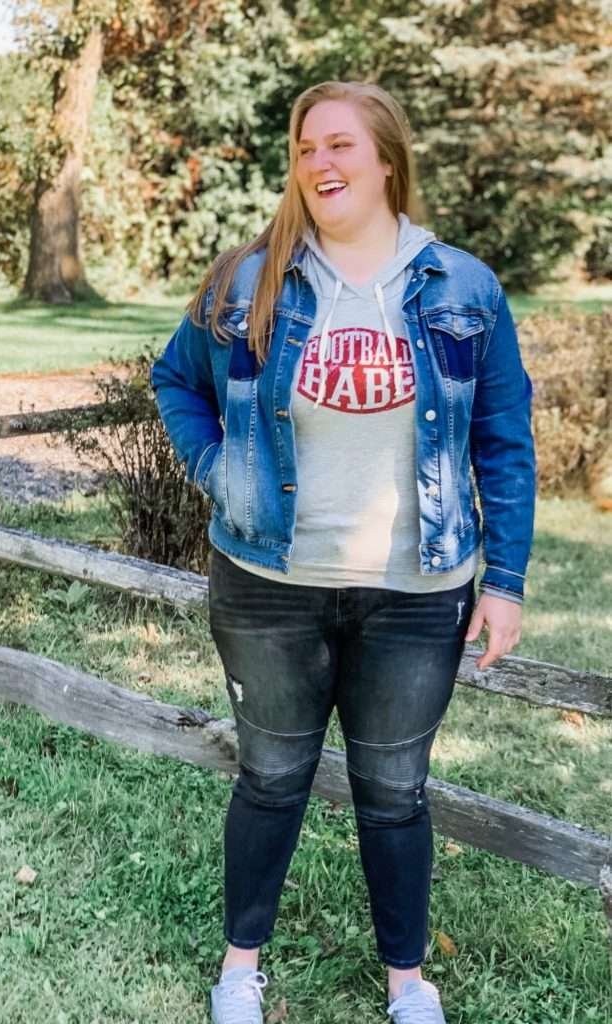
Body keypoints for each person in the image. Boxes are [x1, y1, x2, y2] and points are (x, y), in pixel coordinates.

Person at [151, 80, 536, 1024]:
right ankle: (241, 968)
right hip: (269, 583)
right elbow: (175, 379)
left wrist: (509, 581)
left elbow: (503, 438)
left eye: (339, 146)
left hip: (418, 590)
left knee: (395, 790)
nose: (319, 164)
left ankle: (408, 982)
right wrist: (221, 470)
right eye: (305, 149)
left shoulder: (463, 287)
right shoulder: (253, 279)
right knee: (272, 776)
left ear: (387, 160)